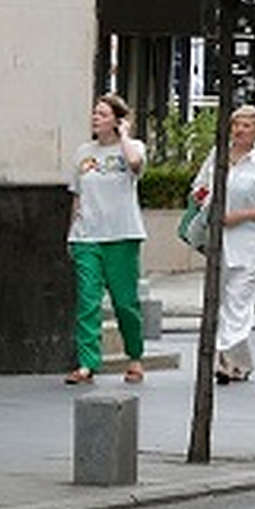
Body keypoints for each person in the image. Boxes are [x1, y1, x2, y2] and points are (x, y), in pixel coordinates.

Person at [189, 105, 255, 384]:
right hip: (219, 239)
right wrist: (204, 198)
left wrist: (238, 217)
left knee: (238, 300)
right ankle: (238, 362)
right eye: (236, 124)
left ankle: (220, 355)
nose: (239, 130)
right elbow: (199, 186)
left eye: (246, 126)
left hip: (253, 240)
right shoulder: (217, 156)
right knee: (221, 298)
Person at [67, 93, 149, 386]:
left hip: (122, 235)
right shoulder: (82, 153)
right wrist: (71, 234)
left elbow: (136, 165)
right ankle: (88, 363)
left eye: (102, 114)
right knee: (87, 301)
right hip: (87, 235)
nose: (95, 118)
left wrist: (125, 135)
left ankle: (135, 357)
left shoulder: (132, 147)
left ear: (117, 120)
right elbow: (77, 194)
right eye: (94, 113)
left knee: (125, 302)